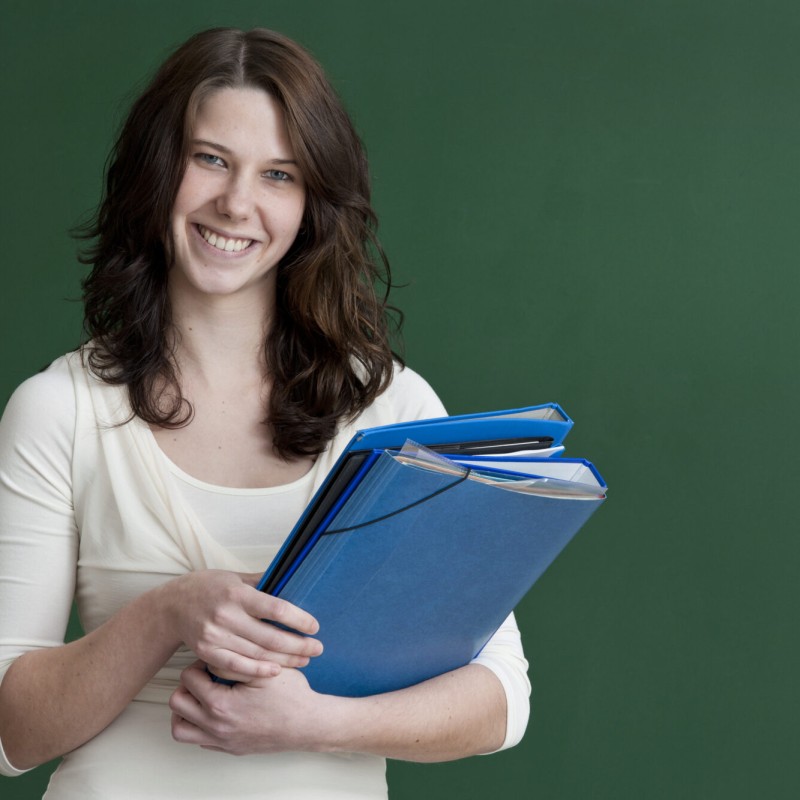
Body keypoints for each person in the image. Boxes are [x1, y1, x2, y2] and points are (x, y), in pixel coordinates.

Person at [0, 27, 530, 798]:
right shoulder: (58, 411)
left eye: (278, 174)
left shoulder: (391, 412)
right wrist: (167, 615)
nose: (236, 203)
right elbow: (9, 733)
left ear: (312, 203)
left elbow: (500, 702)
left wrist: (314, 724)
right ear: (158, 170)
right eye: (210, 158)